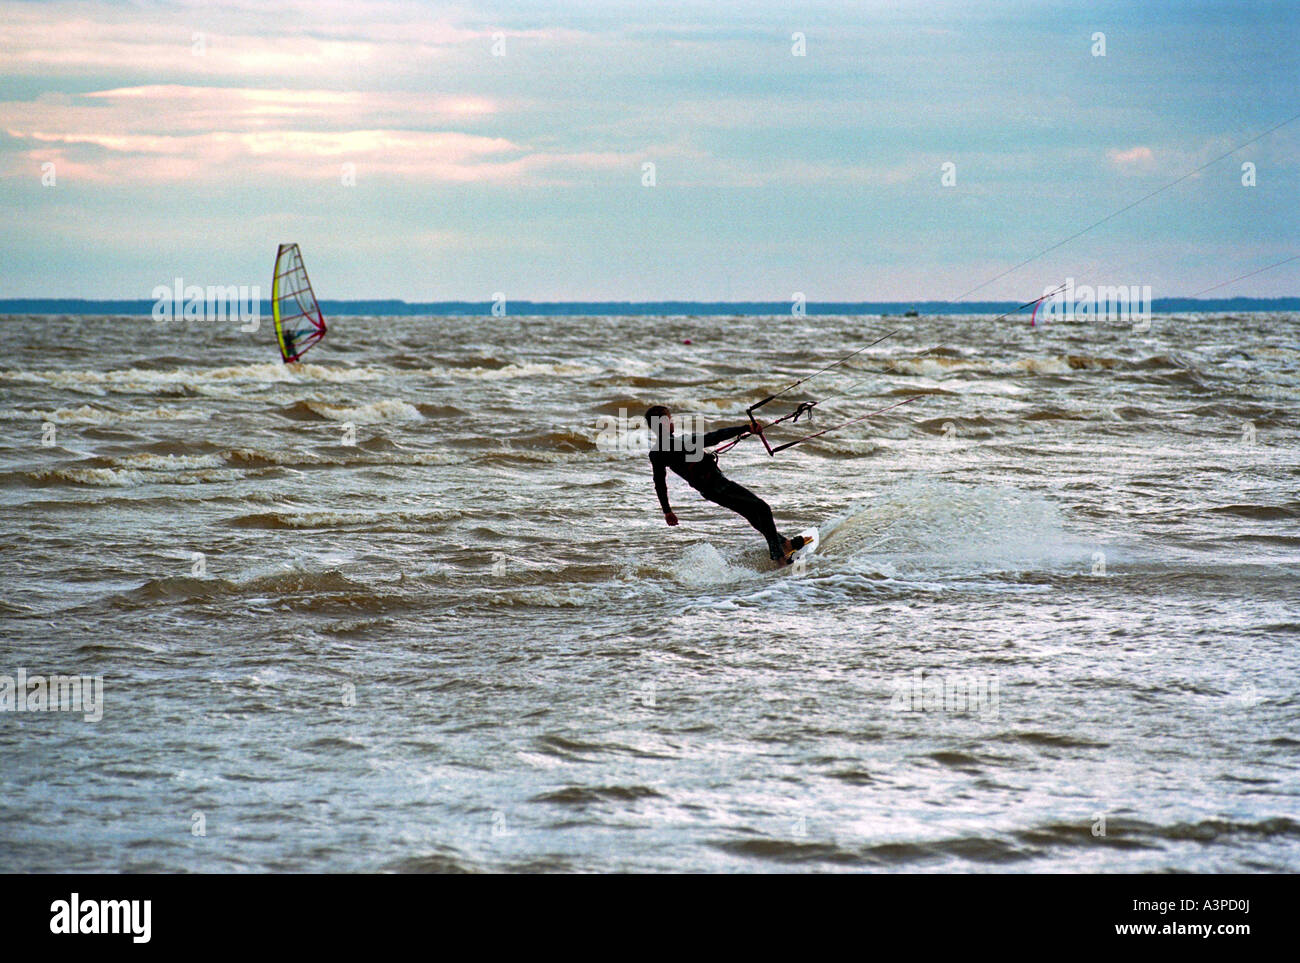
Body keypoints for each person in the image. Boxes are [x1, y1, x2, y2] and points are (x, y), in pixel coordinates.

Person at [645, 405, 807, 563]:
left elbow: (659, 483)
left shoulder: (656, 452)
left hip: (708, 490)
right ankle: (778, 556)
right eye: (670, 420)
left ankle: (785, 543)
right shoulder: (682, 441)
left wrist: (667, 511)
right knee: (762, 508)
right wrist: (746, 428)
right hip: (717, 484)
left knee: (750, 513)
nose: (672, 423)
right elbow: (714, 436)